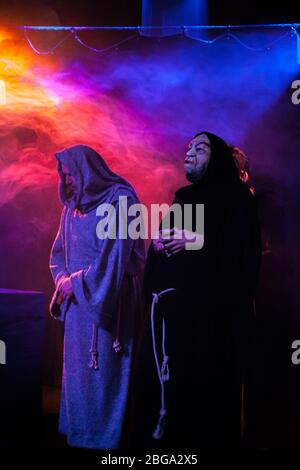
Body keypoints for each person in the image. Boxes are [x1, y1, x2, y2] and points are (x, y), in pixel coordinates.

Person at [131, 131, 262, 450]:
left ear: (215, 158)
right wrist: (158, 244)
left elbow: (246, 256)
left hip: (212, 329)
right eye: (188, 148)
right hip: (173, 322)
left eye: (199, 148)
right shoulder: (184, 198)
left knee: (208, 406)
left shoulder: (238, 198)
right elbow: (162, 244)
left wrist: (199, 241)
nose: (189, 152)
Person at [49, 144, 145, 449]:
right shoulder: (71, 207)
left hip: (109, 300)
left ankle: (107, 445)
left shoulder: (121, 200)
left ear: (88, 170)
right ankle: (81, 439)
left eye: (72, 174)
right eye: (64, 175)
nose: (68, 181)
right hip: (79, 306)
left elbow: (114, 258)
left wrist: (76, 283)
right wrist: (64, 279)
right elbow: (59, 255)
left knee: (105, 377)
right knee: (79, 381)